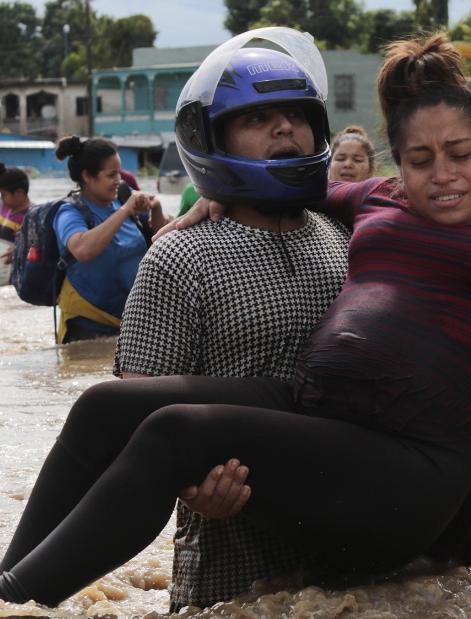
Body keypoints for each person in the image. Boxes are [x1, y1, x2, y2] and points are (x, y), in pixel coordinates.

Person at [0, 30, 471, 608]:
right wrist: (207, 195)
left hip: (410, 466)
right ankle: (10, 580)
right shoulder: (368, 205)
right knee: (104, 403)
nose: (443, 175)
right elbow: (284, 182)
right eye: (419, 159)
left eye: (462, 154)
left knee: (173, 430)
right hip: (321, 418)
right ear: (396, 167)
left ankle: (19, 600)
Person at [116, 43, 352, 611]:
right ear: (211, 140)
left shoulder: (346, 238)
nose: (284, 128)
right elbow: (134, 416)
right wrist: (193, 490)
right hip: (229, 559)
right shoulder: (178, 259)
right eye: (255, 119)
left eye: (297, 115)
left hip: (347, 538)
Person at [52, 137, 170, 343]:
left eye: (119, 173)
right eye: (111, 175)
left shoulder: (124, 198)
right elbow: (82, 250)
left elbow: (163, 241)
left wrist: (156, 207)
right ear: (87, 176)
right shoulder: (69, 212)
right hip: (87, 325)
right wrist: (125, 211)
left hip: (132, 322)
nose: (119, 180)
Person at [0, 164, 32, 280]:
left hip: (15, 273)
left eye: (3, 195)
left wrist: (18, 251)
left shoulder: (31, 216)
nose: (1, 198)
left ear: (19, 192)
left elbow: (36, 246)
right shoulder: (4, 207)